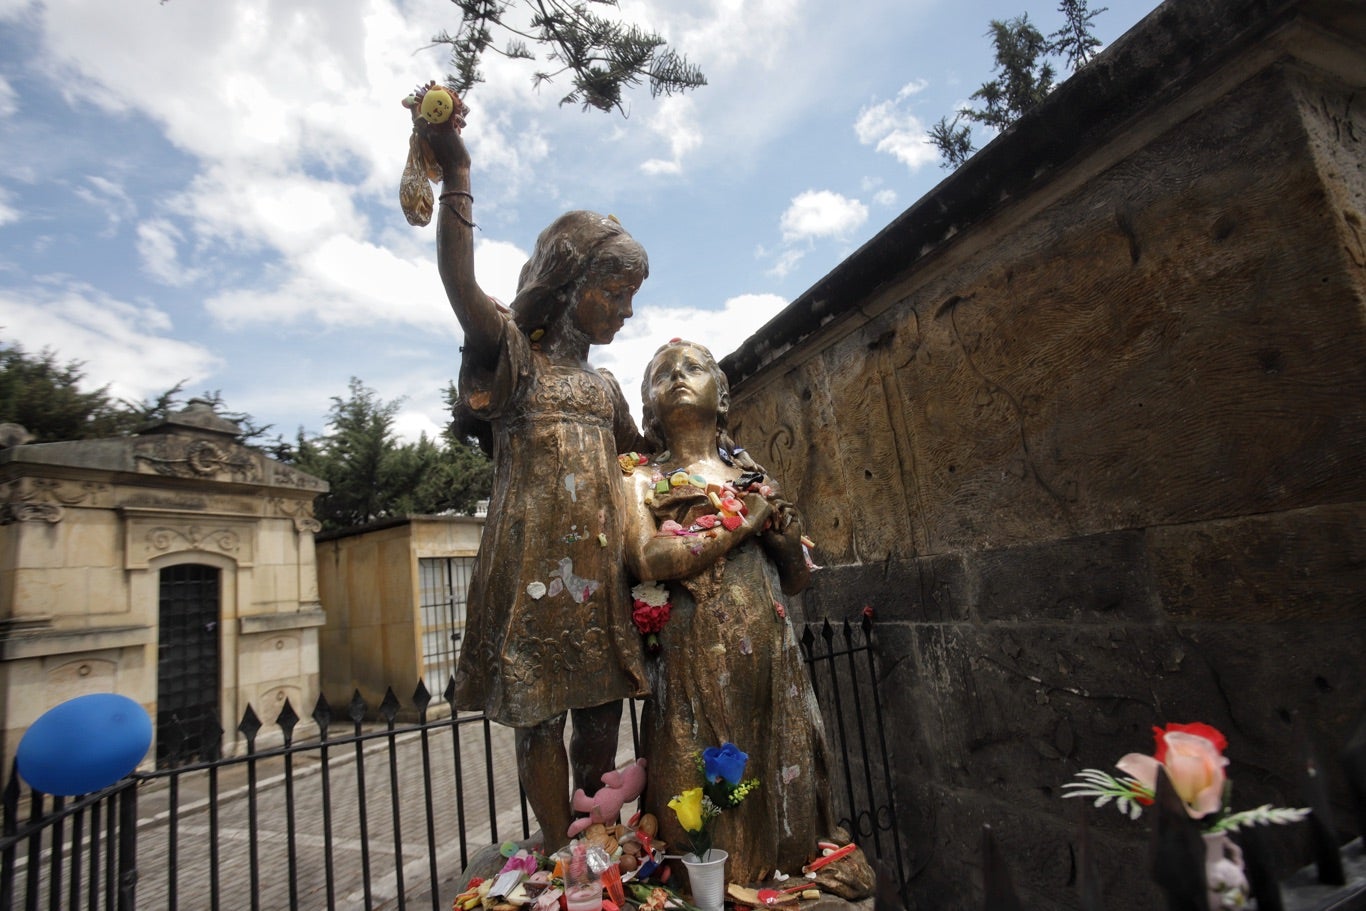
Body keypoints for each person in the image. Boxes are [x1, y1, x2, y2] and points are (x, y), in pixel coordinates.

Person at [415, 104, 650, 850]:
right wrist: (456, 174)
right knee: (540, 719)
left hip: (601, 580)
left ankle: (595, 840)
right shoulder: (518, 361)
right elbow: (461, 283)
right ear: (570, 279)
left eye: (631, 295)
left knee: (601, 719)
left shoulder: (606, 388)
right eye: (613, 290)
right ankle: (556, 850)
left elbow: (644, 469)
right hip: (533, 574)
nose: (624, 308)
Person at [622, 339, 843, 885]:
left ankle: (785, 864)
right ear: (649, 407)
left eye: (693, 368)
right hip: (693, 647)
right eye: (661, 374)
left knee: (777, 750)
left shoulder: (750, 475)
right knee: (694, 756)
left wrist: (788, 542)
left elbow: (796, 578)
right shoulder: (640, 478)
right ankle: (708, 875)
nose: (676, 376)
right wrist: (743, 525)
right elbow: (649, 558)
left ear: (721, 399)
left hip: (768, 644)